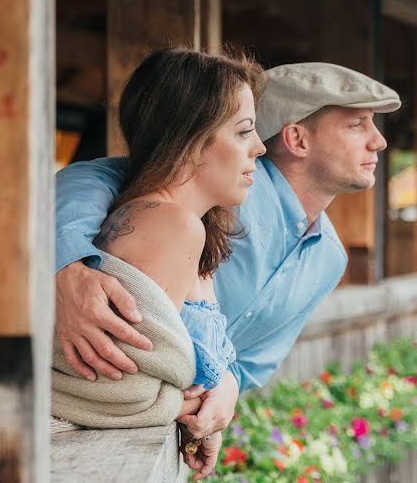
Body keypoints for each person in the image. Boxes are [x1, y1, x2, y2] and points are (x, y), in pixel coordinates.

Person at [54, 62, 401, 467]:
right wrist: (67, 265)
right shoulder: (211, 191)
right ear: (296, 138)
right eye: (357, 125)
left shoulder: (328, 258)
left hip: (164, 447)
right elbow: (98, 178)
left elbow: (252, 361)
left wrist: (225, 390)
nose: (378, 142)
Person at [51, 47, 266, 481]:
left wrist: (220, 387)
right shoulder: (170, 227)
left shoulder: (189, 228)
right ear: (191, 139)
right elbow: (114, 383)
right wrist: (177, 407)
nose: (259, 148)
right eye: (243, 132)